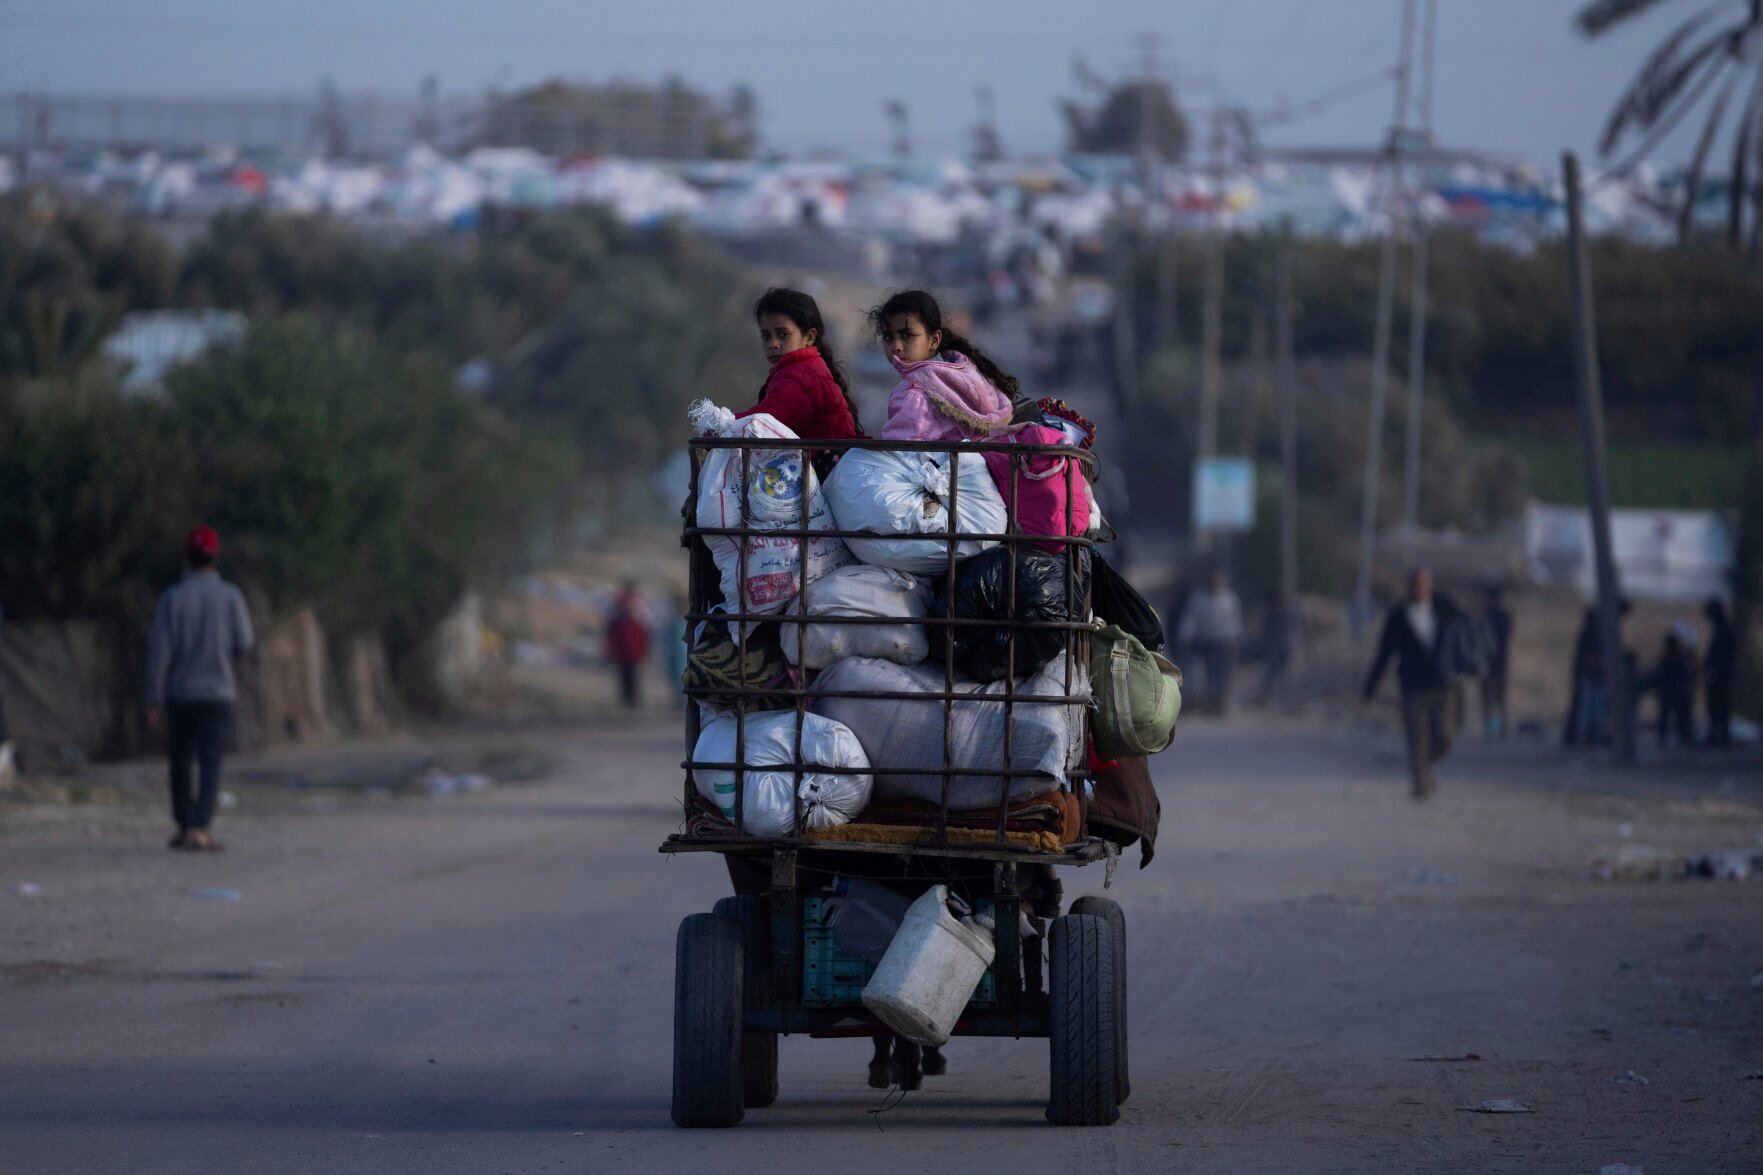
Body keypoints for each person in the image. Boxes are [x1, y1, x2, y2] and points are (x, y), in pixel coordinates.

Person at [146, 525, 255, 852]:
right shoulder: (231, 596)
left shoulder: (173, 598)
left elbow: (159, 651)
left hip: (180, 693)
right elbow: (245, 642)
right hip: (217, 693)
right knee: (210, 761)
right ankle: (200, 827)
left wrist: (154, 695)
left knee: (179, 761)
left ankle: (184, 825)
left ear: (187, 557)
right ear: (215, 555)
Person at [1361, 568, 1473, 800]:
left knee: (1444, 736)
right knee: (1416, 738)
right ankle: (1420, 784)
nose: (1418, 589)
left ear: (1430, 585)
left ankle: (1425, 766)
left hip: (1443, 684)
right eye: (1414, 584)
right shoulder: (1398, 616)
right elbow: (1384, 655)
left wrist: (1469, 662)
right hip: (1412, 686)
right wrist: (1369, 690)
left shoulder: (1445, 606)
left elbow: (1465, 634)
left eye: (1422, 583)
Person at [739, 287, 863, 477]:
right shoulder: (805, 368)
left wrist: (721, 423)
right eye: (766, 336)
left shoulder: (799, 375)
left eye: (783, 334)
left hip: (823, 478)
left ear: (809, 337)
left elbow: (765, 421)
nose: (773, 343)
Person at [869, 289, 1020, 442]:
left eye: (907, 335)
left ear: (934, 340)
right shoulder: (968, 371)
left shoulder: (913, 394)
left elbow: (899, 454)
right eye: (888, 337)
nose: (896, 346)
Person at [1179, 568, 1243, 714]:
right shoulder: (1200, 599)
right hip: (1208, 642)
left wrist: (1237, 637)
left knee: (1224, 673)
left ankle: (1222, 702)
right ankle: (1212, 702)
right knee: (1210, 673)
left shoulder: (1229, 599)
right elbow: (1191, 619)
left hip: (1226, 642)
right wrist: (1186, 635)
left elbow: (1235, 620)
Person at [1644, 628, 1697, 748]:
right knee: (1675, 719)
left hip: (1670, 693)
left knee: (1671, 719)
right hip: (1674, 693)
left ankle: (1679, 738)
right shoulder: (1678, 658)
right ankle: (1683, 739)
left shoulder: (1669, 659)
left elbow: (1658, 675)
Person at [603, 583, 651, 709]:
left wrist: (643, 652)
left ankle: (632, 699)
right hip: (623, 655)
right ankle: (627, 699)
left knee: (632, 677)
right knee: (625, 676)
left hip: (633, 655)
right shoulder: (619, 623)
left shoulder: (636, 624)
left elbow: (643, 639)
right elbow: (613, 638)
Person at [1478, 585, 1513, 738]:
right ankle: (1494, 728)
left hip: (1496, 662)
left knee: (1496, 698)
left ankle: (1497, 727)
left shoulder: (1497, 617)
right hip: (1489, 662)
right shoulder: (1487, 617)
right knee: (1491, 698)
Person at [1703, 597, 1735, 747]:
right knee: (1717, 707)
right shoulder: (1721, 629)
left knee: (1720, 707)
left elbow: (1721, 655)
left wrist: (1714, 671)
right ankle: (1718, 736)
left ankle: (1721, 737)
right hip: (1720, 675)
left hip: (1721, 676)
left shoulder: (1723, 630)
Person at [1255, 595, 1295, 707]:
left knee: (1281, 676)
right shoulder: (1274, 616)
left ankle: (1282, 699)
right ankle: (1268, 698)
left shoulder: (1283, 616)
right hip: (1276, 651)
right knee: (1273, 676)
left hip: (1281, 650)